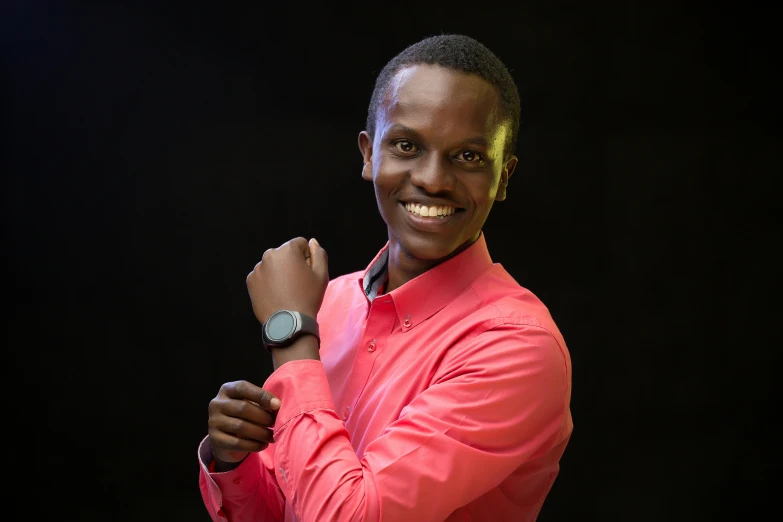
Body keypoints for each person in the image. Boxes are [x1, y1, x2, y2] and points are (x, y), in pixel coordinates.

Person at [198, 34, 573, 522]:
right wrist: (236, 461)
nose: (434, 179)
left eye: (469, 156)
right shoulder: (328, 304)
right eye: (407, 145)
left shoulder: (518, 346)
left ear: (504, 177)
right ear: (369, 154)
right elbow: (293, 510)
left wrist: (290, 333)